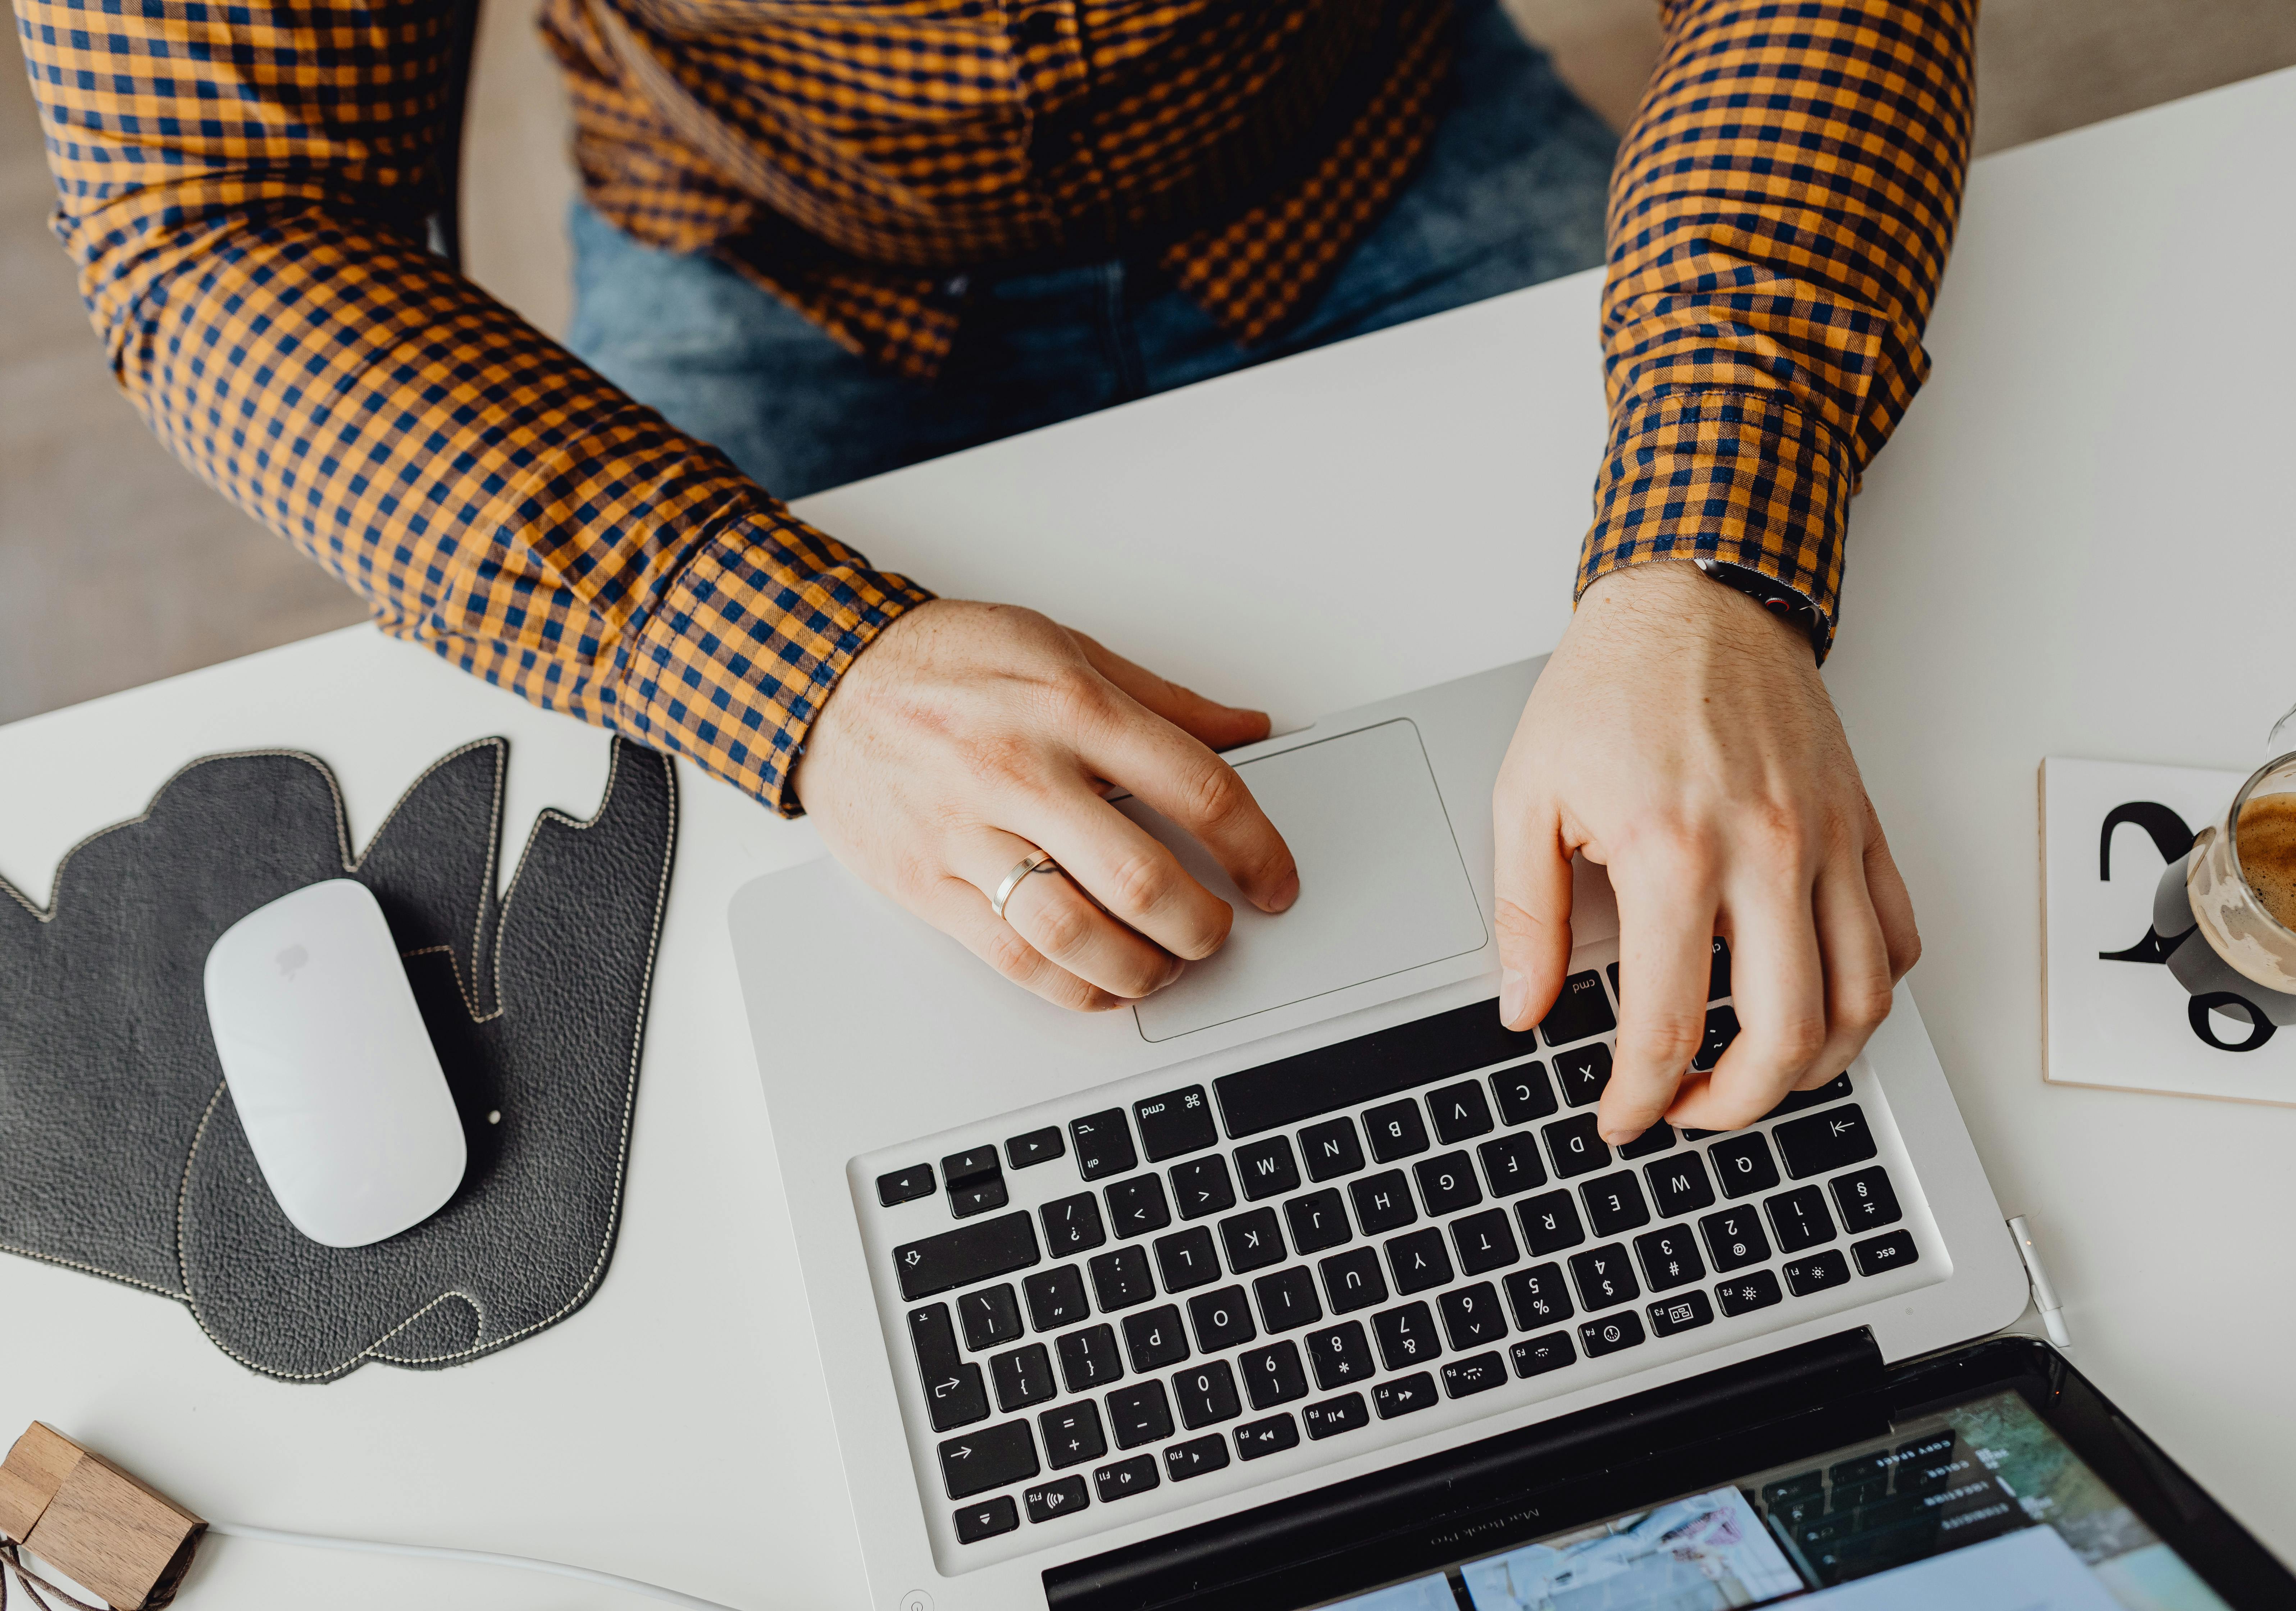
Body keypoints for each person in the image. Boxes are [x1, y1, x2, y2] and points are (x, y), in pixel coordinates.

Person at [21, 0, 1973, 1144]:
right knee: (794, 1075)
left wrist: (1707, 554)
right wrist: (794, 667)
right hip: (767, 248)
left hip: (1369, 135)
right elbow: (215, 214)